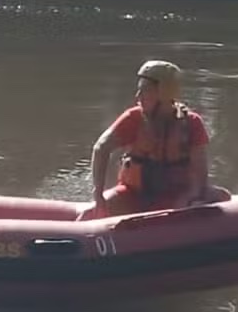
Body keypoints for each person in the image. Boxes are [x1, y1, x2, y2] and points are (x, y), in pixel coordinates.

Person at [80, 60, 230, 219]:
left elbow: (200, 174)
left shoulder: (192, 123)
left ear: (164, 93)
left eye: (144, 90)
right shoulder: (133, 118)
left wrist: (193, 198)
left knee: (222, 196)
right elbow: (101, 148)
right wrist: (98, 195)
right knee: (89, 214)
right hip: (133, 195)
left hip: (177, 196)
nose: (138, 96)